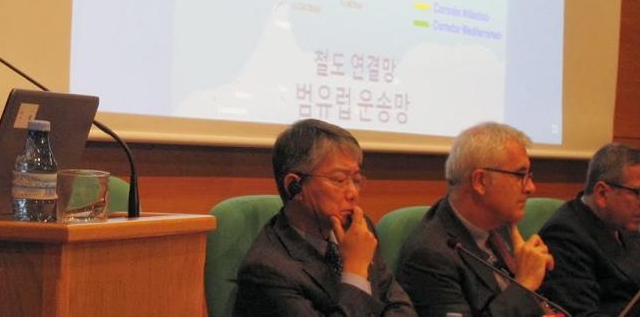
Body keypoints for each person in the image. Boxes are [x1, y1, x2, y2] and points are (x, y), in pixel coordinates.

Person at [234, 118, 416, 316]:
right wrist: (355, 270)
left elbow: (401, 309)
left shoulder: (358, 231)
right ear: (294, 186)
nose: (353, 192)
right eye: (339, 180)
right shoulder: (267, 270)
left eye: (356, 180)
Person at [397, 122, 555, 316]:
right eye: (520, 175)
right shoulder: (431, 255)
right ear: (480, 181)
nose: (531, 187)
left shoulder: (500, 225)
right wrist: (524, 285)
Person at [537, 142, 640, 317]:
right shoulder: (564, 234)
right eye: (639, 192)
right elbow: (582, 314)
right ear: (602, 193)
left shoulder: (623, 223)